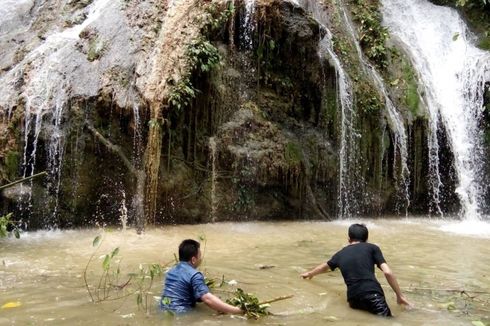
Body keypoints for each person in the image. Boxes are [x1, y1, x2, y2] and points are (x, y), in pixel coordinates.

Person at [300, 223, 411, 316]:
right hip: (372, 295)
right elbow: (387, 272)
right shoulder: (372, 248)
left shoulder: (340, 254)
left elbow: (324, 266)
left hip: (353, 300)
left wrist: (310, 273)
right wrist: (399, 295)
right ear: (366, 239)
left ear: (349, 239)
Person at [160, 239, 242, 314]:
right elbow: (207, 299)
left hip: (164, 309)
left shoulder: (171, 271)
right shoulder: (195, 275)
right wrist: (237, 310)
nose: (201, 259)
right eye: (200, 256)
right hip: (181, 313)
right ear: (193, 260)